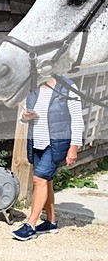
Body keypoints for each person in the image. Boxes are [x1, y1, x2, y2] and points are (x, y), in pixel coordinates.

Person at [13, 76, 84, 241]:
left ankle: (30, 225)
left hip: (56, 143)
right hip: (37, 142)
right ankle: (51, 222)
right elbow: (23, 115)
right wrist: (25, 116)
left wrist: (74, 147)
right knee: (46, 181)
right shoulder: (33, 86)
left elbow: (77, 119)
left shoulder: (68, 86)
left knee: (39, 180)